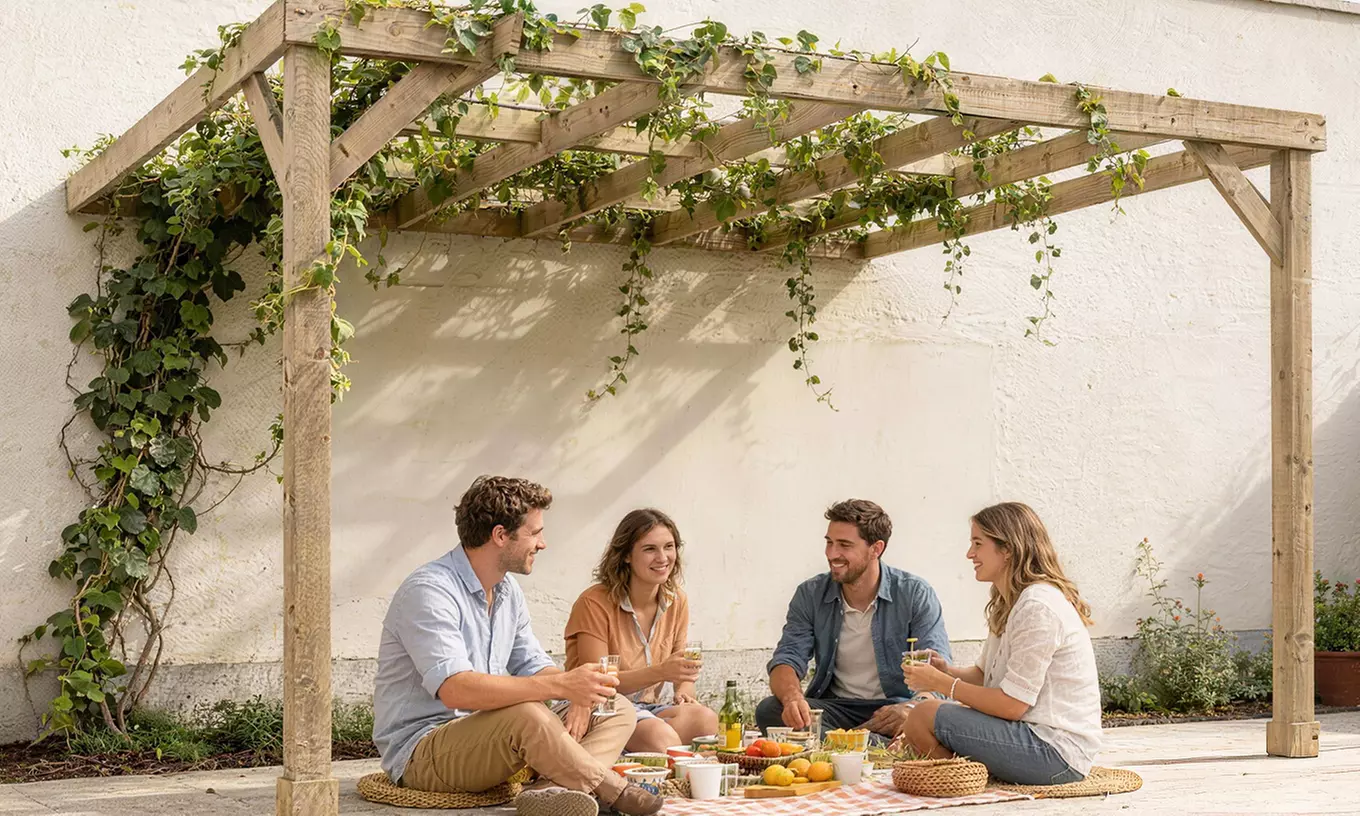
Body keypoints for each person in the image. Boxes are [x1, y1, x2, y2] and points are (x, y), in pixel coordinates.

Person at [372, 476, 663, 816]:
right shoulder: (429, 592)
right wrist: (562, 685)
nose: (542, 544)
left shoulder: (507, 591)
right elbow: (455, 690)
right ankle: (614, 790)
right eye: (535, 533)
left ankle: (549, 792)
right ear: (500, 535)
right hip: (423, 752)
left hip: (492, 736)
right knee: (525, 713)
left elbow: (532, 665)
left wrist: (580, 694)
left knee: (615, 707)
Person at [897, 502, 1101, 786]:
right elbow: (985, 676)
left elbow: (1012, 705)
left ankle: (961, 781)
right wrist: (945, 671)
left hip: (1056, 753)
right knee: (921, 717)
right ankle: (964, 778)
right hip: (1030, 737)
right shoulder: (1011, 602)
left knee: (923, 715)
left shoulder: (1037, 607)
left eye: (978, 544)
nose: (970, 554)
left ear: (1007, 550)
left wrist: (941, 684)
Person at [757, 499, 953, 739]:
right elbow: (787, 658)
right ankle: (867, 744)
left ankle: (839, 742)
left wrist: (911, 708)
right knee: (770, 709)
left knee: (925, 719)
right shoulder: (810, 594)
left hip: (895, 706)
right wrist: (793, 699)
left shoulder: (914, 593)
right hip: (836, 707)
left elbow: (938, 672)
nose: (832, 554)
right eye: (829, 542)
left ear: (876, 549)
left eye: (844, 545)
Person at [564, 509, 719, 753]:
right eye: (650, 549)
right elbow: (598, 683)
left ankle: (648, 753)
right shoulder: (594, 603)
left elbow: (683, 674)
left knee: (706, 721)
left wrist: (684, 692)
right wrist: (661, 671)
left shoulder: (676, 600)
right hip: (603, 707)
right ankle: (643, 753)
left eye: (669, 547)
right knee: (661, 738)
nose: (663, 557)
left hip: (650, 708)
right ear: (626, 555)